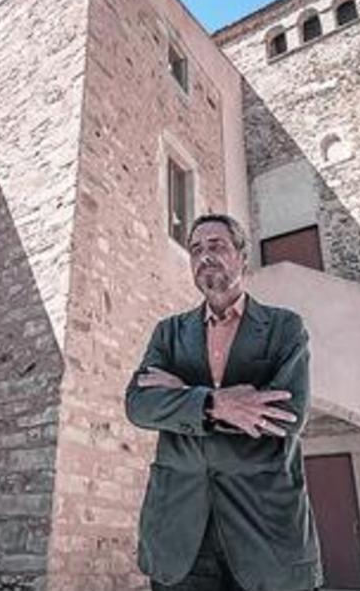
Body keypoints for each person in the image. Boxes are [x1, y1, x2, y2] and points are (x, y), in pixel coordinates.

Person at [124, 213, 323, 591]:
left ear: (242, 256)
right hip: (179, 533)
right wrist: (216, 404)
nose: (204, 256)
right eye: (196, 249)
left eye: (216, 246)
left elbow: (286, 418)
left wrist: (181, 396)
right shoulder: (168, 333)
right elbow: (138, 405)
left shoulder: (284, 328)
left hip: (263, 529)